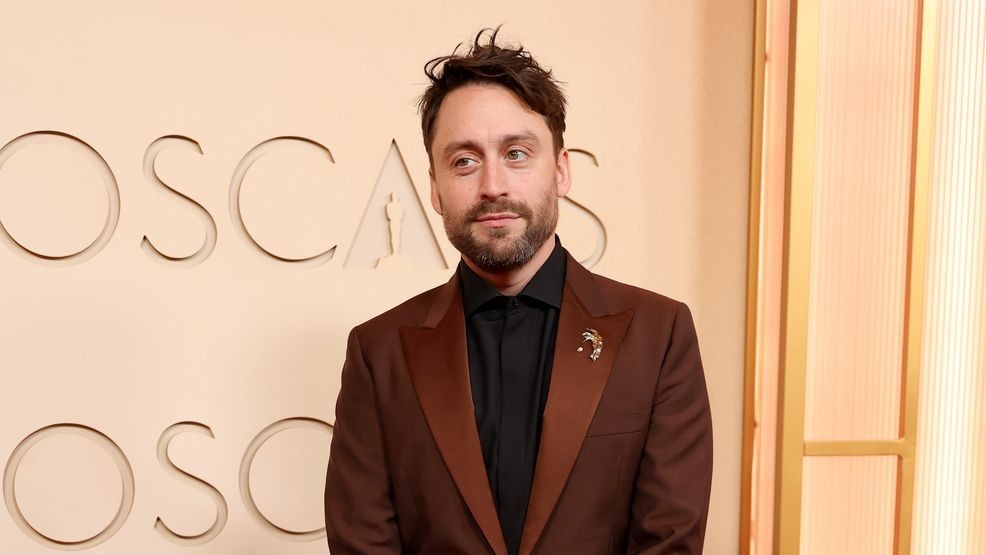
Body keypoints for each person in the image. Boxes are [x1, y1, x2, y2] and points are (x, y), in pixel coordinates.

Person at [324, 28, 713, 555]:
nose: (493, 186)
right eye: (464, 160)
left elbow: (669, 542)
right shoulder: (378, 353)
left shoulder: (658, 334)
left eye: (517, 153)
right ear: (435, 189)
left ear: (560, 170)